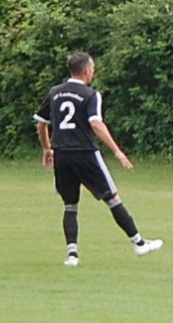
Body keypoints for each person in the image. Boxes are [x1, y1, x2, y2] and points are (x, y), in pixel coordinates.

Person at [35, 52, 162, 267]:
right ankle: (139, 243)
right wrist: (117, 151)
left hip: (62, 154)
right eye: (92, 68)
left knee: (70, 205)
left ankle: (72, 256)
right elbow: (96, 124)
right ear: (86, 70)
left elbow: (41, 124)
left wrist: (47, 149)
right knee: (112, 198)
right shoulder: (91, 94)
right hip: (85, 153)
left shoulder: (54, 92)